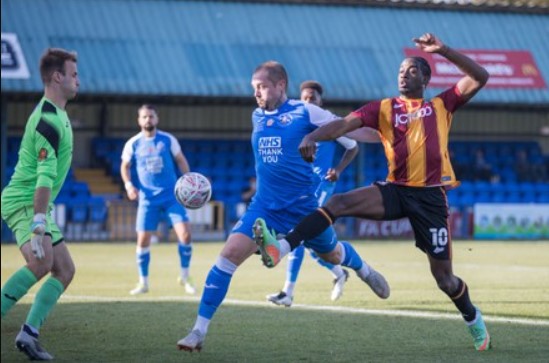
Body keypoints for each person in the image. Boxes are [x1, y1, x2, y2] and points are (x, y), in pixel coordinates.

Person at [255, 33, 492, 351]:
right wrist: (314, 138)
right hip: (395, 190)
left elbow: (481, 77)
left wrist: (444, 50)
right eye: (400, 70)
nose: (403, 74)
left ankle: (473, 319)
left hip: (431, 198)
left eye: (410, 70)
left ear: (425, 77)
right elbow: (342, 125)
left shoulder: (442, 105)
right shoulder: (383, 108)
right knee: (337, 202)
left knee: (445, 280)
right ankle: (283, 247)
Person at [177, 61, 389, 352]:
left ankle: (363, 269)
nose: (257, 93)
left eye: (262, 87)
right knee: (227, 257)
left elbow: (349, 129)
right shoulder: (257, 116)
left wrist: (388, 135)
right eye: (254, 88)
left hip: (304, 208)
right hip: (264, 207)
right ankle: (198, 331)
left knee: (333, 253)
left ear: (280, 86)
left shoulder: (306, 111)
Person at [0, 48, 80, 361]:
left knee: (64, 269)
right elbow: (44, 177)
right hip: (24, 202)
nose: (78, 80)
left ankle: (29, 334)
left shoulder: (58, 113)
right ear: (57, 77)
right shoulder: (47, 119)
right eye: (73, 74)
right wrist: (37, 220)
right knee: (41, 263)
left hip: (37, 206)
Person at [266, 80, 363, 306]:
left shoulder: (329, 123)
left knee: (298, 232)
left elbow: (353, 146)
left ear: (321, 101)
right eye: (305, 98)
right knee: (311, 244)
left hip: (321, 186)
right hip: (300, 187)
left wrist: (338, 170)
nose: (308, 101)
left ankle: (288, 292)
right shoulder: (295, 122)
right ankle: (339, 273)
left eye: (313, 98)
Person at [121, 104, 196, 295]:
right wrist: (129, 186)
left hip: (171, 197)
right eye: (144, 117)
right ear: (139, 120)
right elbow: (125, 167)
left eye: (151, 116)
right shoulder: (133, 143)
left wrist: (189, 181)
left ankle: (185, 277)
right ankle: (143, 282)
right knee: (143, 240)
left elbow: (181, 160)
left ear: (157, 118)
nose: (148, 120)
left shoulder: (167, 140)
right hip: (147, 200)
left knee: (186, 235)